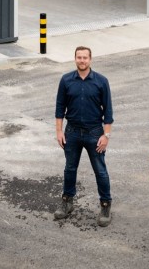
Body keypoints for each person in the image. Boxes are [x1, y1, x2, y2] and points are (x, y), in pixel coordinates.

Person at [54, 45, 114, 226]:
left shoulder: (101, 81)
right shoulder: (66, 80)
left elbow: (108, 111)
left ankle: (105, 205)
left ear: (90, 59)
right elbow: (59, 108)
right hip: (71, 132)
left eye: (85, 57)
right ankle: (67, 202)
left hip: (94, 133)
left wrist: (106, 135)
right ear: (75, 59)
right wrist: (59, 131)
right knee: (70, 169)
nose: (82, 60)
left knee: (100, 171)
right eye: (79, 57)